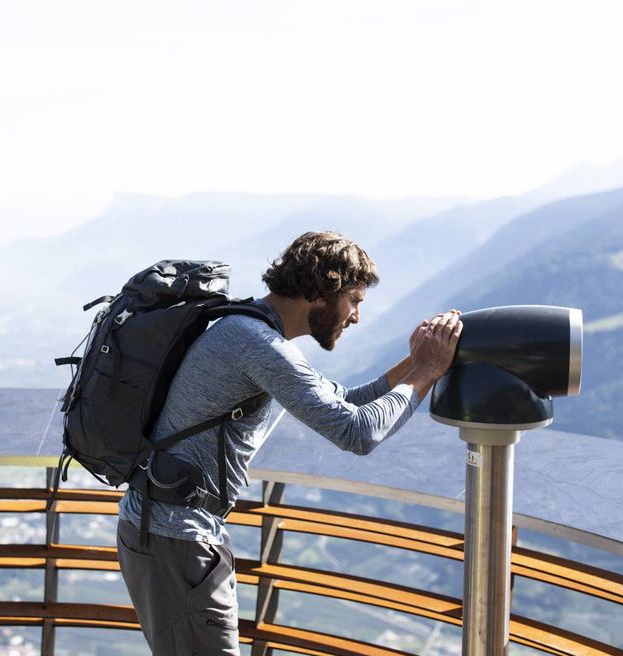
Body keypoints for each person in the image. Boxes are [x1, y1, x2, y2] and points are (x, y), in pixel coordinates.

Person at [116, 230, 463, 655]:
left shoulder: (248, 330)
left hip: (168, 530)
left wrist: (418, 358)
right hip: (176, 539)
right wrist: (426, 372)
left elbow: (347, 402)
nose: (355, 317)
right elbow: (357, 432)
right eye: (354, 301)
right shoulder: (259, 345)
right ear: (322, 292)